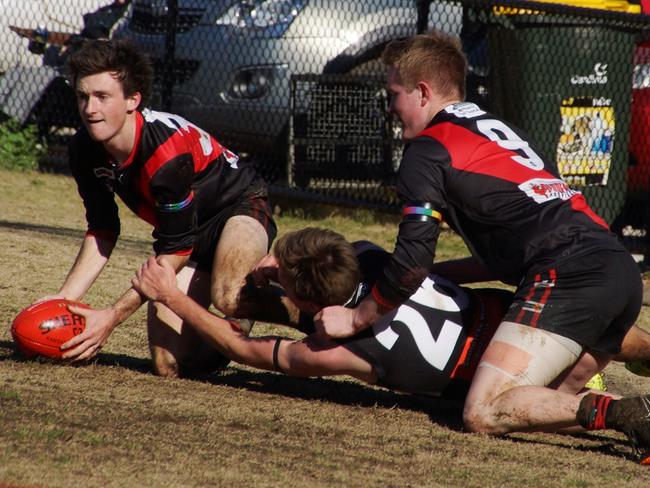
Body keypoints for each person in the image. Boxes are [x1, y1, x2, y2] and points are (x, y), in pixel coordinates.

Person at [312, 30, 650, 463]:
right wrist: (443, 276)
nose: (391, 107)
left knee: (484, 410)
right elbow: (514, 243)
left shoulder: (428, 151)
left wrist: (355, 317)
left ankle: (630, 411)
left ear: (422, 91)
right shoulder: (493, 128)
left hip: (569, 274)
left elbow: (412, 264)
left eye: (393, 93)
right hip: (614, 266)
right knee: (536, 403)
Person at [39, 38, 283, 378]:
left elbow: (175, 252)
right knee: (170, 366)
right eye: (83, 96)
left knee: (228, 297)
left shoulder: (165, 153)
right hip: (188, 239)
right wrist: (64, 300)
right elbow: (102, 230)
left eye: (102, 97)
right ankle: (233, 325)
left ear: (132, 101)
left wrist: (110, 317)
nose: (90, 108)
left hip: (238, 208)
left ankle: (289, 301)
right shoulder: (84, 149)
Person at [132, 227, 563, 399]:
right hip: (526, 317)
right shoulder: (370, 256)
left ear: (308, 304)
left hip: (508, 376)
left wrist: (171, 295)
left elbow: (243, 348)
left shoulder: (337, 349)